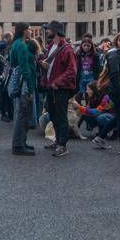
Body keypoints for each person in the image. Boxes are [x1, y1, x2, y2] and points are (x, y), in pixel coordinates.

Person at [40, 20, 77, 157]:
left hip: (60, 88)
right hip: (51, 86)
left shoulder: (67, 49)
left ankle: (63, 144)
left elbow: (72, 70)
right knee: (53, 115)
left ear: (55, 30)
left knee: (61, 117)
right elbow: (48, 63)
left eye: (49, 29)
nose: (47, 31)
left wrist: (58, 82)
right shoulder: (51, 46)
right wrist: (42, 63)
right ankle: (58, 140)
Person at [9, 23, 37, 155]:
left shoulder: (16, 44)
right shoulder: (21, 45)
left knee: (22, 114)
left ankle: (21, 142)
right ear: (24, 31)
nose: (31, 32)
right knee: (23, 114)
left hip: (20, 83)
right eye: (29, 29)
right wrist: (31, 88)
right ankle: (18, 146)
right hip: (25, 84)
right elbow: (24, 68)